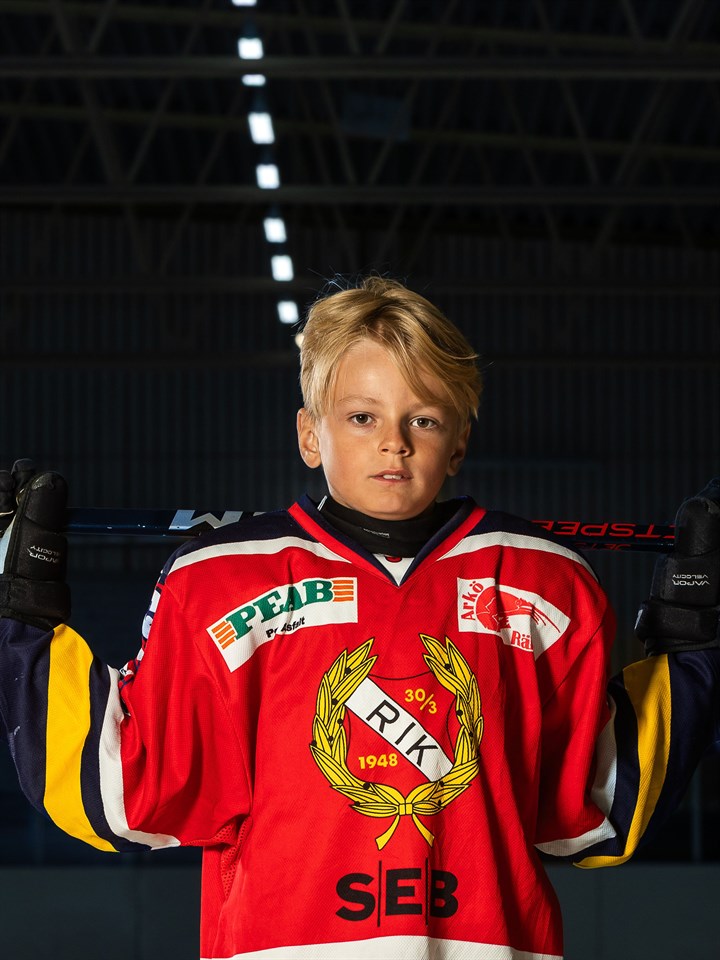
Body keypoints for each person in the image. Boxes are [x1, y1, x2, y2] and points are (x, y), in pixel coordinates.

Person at [0, 276, 719, 960]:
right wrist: (25, 608)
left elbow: (598, 806)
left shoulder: (543, 581)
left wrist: (689, 638)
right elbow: (127, 790)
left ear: (460, 441)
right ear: (310, 435)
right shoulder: (218, 582)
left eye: (423, 419)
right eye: (362, 416)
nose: (393, 441)